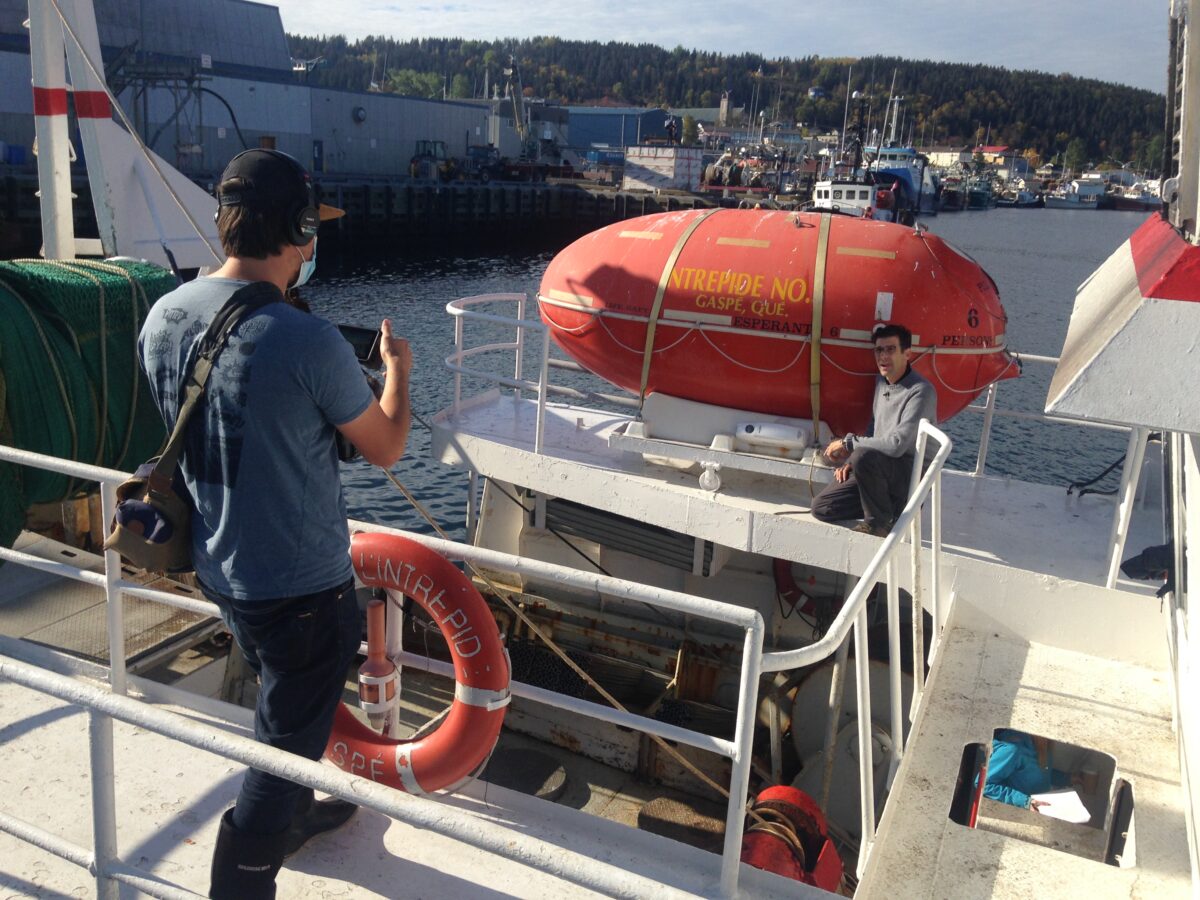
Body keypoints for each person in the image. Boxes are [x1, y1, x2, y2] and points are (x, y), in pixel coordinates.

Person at [138, 148, 412, 899]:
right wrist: (398, 371)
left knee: (286, 706)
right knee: (283, 747)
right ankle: (247, 872)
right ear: (296, 229)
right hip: (301, 589)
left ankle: (292, 821)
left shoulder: (164, 314)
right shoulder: (308, 341)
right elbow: (385, 444)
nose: (314, 243)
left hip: (219, 566)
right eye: (310, 227)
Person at [811, 323, 937, 536]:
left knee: (863, 455)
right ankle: (891, 506)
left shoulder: (920, 392)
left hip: (910, 475)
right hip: (880, 470)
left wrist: (848, 444)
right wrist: (851, 462)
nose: (883, 356)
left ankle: (879, 523)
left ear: (907, 353)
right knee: (821, 507)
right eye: (879, 350)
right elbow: (874, 429)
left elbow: (897, 445)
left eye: (890, 349)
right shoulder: (882, 382)